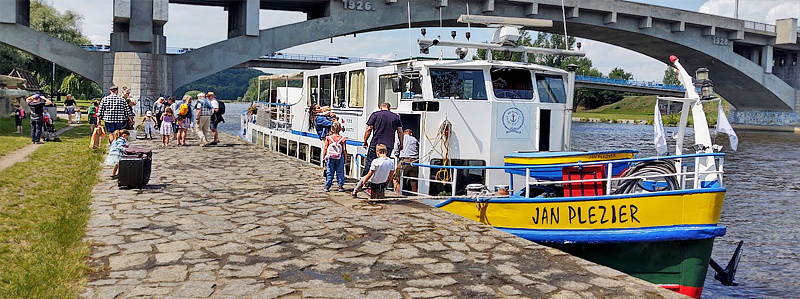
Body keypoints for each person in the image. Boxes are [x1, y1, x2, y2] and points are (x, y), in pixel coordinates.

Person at [362, 102, 403, 176]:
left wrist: (365, 141)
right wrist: (401, 143)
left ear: (380, 108)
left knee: (370, 163)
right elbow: (400, 132)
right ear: (389, 108)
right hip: (388, 145)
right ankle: (382, 183)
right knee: (384, 164)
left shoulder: (375, 115)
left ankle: (365, 182)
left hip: (375, 144)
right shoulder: (396, 117)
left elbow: (368, 129)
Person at [323, 122, 348, 192]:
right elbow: (344, 149)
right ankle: (340, 186)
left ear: (332, 129)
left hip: (330, 157)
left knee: (330, 172)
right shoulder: (343, 139)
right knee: (340, 172)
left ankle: (327, 186)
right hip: (339, 157)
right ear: (340, 129)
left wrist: (324, 156)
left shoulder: (328, 138)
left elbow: (325, 148)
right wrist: (345, 158)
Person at [393, 129, 420, 194]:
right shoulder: (415, 139)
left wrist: (397, 155)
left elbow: (396, 149)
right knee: (413, 180)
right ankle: (414, 195)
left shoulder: (400, 138)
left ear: (404, 132)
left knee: (396, 179)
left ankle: (398, 194)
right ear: (410, 133)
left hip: (404, 161)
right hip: (414, 161)